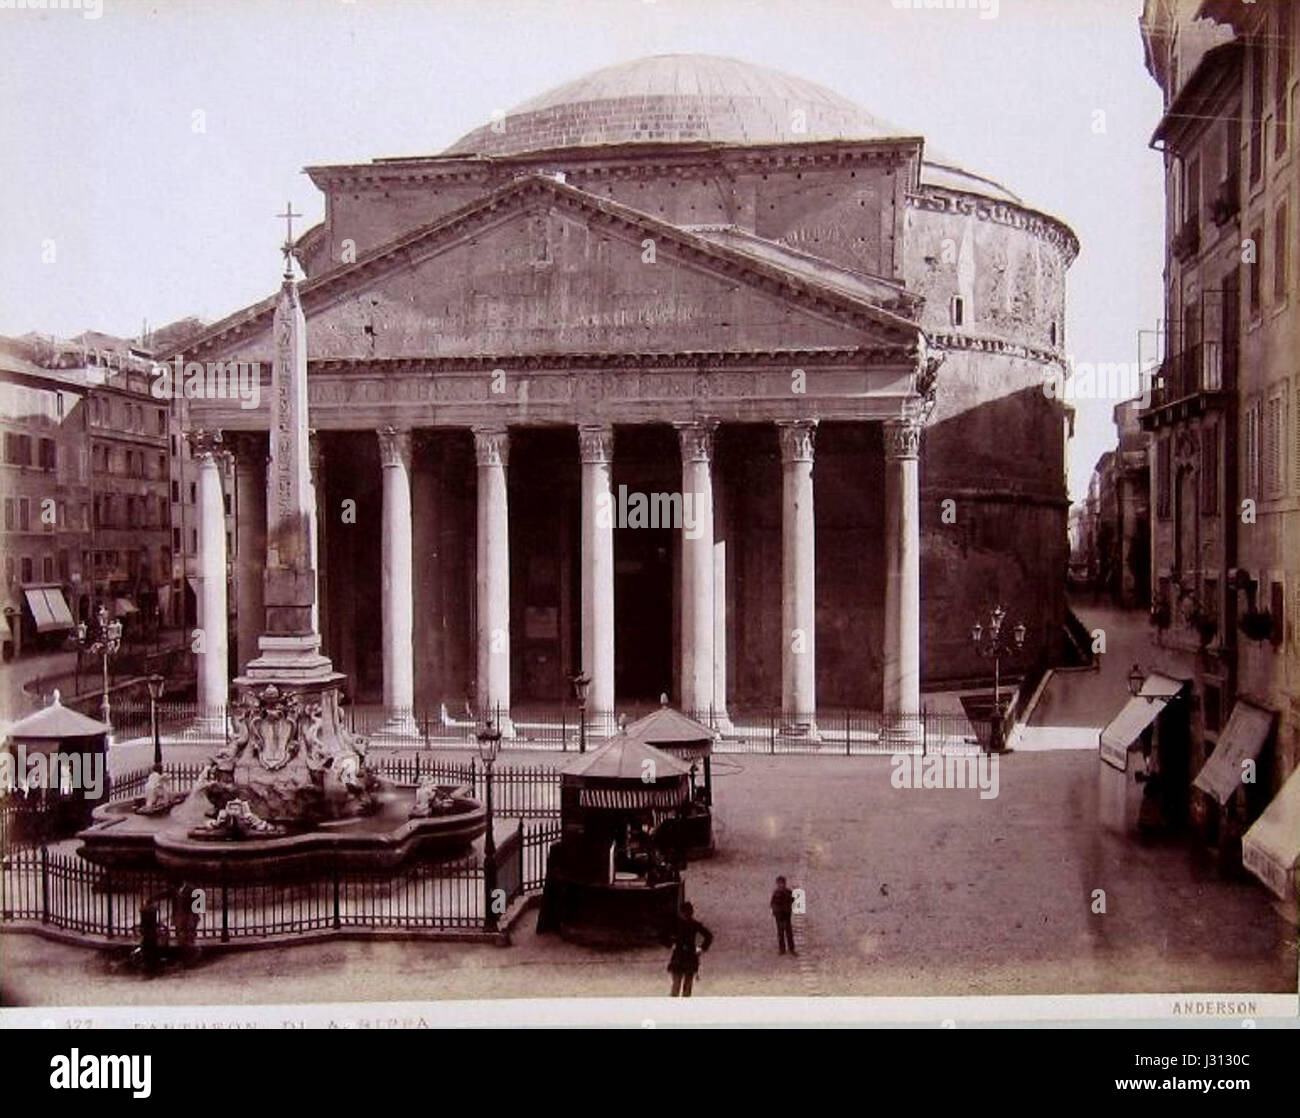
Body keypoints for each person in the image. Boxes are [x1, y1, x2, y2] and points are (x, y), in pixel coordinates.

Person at [666, 901, 712, 997]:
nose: (687, 914)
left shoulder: (678, 924)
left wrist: (671, 944)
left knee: (679, 985)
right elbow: (708, 936)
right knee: (682, 985)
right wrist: (701, 948)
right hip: (687, 956)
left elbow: (662, 935)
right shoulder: (693, 924)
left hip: (682, 955)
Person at [771, 875, 796, 955]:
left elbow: (793, 900)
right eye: (780, 883)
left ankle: (791, 949)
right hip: (779, 916)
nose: (781, 885)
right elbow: (773, 904)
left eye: (782, 883)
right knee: (780, 933)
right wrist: (776, 913)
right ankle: (782, 949)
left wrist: (790, 908)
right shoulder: (776, 893)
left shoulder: (788, 892)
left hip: (787, 914)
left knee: (789, 932)